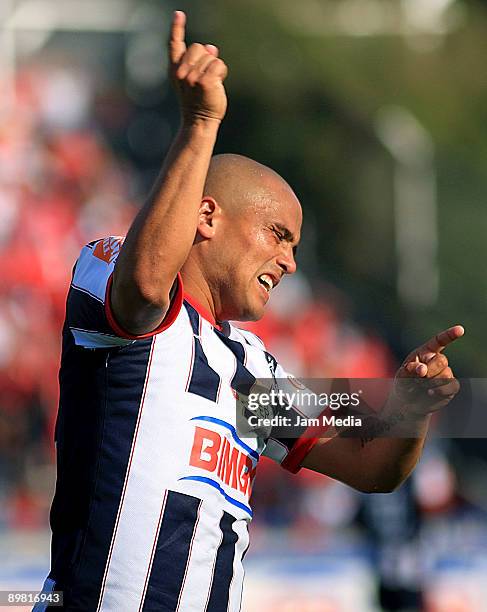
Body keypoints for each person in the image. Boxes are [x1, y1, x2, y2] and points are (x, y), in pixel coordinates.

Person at [35, 10, 464, 612]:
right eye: (277, 235)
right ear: (207, 217)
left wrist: (412, 409)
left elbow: (372, 467)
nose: (289, 262)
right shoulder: (110, 272)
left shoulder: (250, 375)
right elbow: (144, 290)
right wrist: (201, 124)